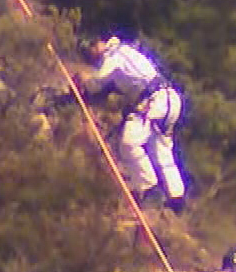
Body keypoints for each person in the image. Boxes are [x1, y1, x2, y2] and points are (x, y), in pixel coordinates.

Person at [80, 34, 187, 213]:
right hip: (170, 99)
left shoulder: (112, 57)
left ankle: (149, 188)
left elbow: (96, 83)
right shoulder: (127, 50)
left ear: (99, 43)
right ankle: (176, 200)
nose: (91, 55)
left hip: (154, 101)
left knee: (128, 143)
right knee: (161, 150)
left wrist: (85, 80)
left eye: (90, 49)